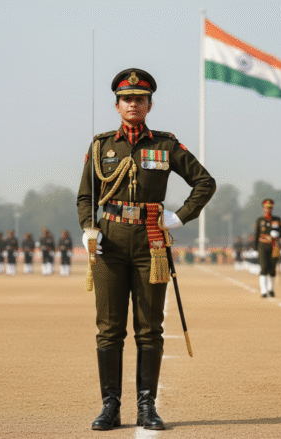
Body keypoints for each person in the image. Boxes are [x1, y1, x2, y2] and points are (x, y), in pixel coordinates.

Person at [77, 68, 215, 431]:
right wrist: (88, 228)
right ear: (117, 105)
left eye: (140, 99)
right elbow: (86, 195)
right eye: (127, 99)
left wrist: (181, 217)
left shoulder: (166, 145)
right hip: (109, 245)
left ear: (149, 104)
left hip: (150, 246)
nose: (133, 104)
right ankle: (110, 406)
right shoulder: (100, 145)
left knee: (149, 329)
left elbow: (205, 182)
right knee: (109, 329)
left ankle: (146, 406)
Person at [254, 199, 281, 297]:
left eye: (270, 208)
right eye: (266, 208)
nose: (268, 209)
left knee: (272, 268)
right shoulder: (260, 220)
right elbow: (256, 235)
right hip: (262, 246)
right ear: (263, 209)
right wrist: (255, 248)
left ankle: (270, 289)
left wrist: (277, 234)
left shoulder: (277, 220)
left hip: (274, 246)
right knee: (263, 267)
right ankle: (263, 291)